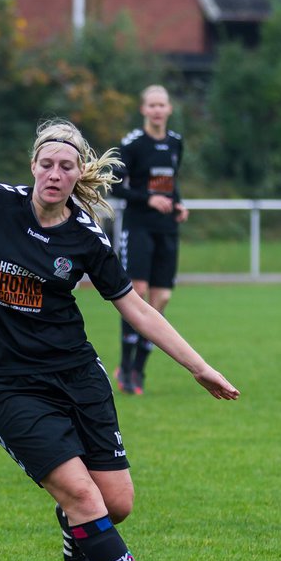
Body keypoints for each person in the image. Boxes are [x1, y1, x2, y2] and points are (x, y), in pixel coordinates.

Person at [0, 110, 239, 561]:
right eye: (47, 164)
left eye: (67, 166)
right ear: (33, 166)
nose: (55, 174)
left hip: (77, 376)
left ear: (79, 175)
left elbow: (137, 308)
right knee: (82, 494)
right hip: (10, 384)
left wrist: (199, 367)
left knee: (115, 503)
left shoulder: (86, 237)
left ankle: (75, 529)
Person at [113, 85, 189, 396]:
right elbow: (115, 186)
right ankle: (126, 367)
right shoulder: (131, 144)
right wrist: (148, 199)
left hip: (166, 229)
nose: (157, 110)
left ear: (169, 109)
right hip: (138, 227)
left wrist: (178, 203)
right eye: (152, 105)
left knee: (162, 300)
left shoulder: (175, 143)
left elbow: (171, 183)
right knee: (138, 293)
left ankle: (140, 368)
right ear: (143, 109)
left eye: (162, 105)